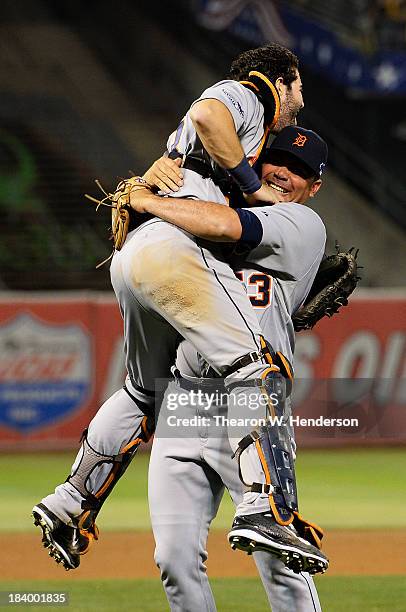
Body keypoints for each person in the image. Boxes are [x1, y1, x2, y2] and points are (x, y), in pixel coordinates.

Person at [32, 44, 326, 576]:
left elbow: (158, 173)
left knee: (142, 391)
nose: (300, 102)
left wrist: (144, 190)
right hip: (170, 250)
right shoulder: (253, 94)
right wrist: (256, 190)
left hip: (134, 257)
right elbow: (209, 114)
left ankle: (69, 502)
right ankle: (262, 508)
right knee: (257, 368)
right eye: (300, 89)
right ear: (284, 79)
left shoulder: (194, 142)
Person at [146, 127, 328, 611]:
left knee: (280, 560)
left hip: (251, 398)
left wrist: (150, 201)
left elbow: (225, 226)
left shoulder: (303, 224)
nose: (286, 174)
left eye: (302, 171)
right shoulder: (211, 198)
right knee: (174, 559)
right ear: (254, 162)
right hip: (185, 397)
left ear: (314, 187)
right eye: (279, 161)